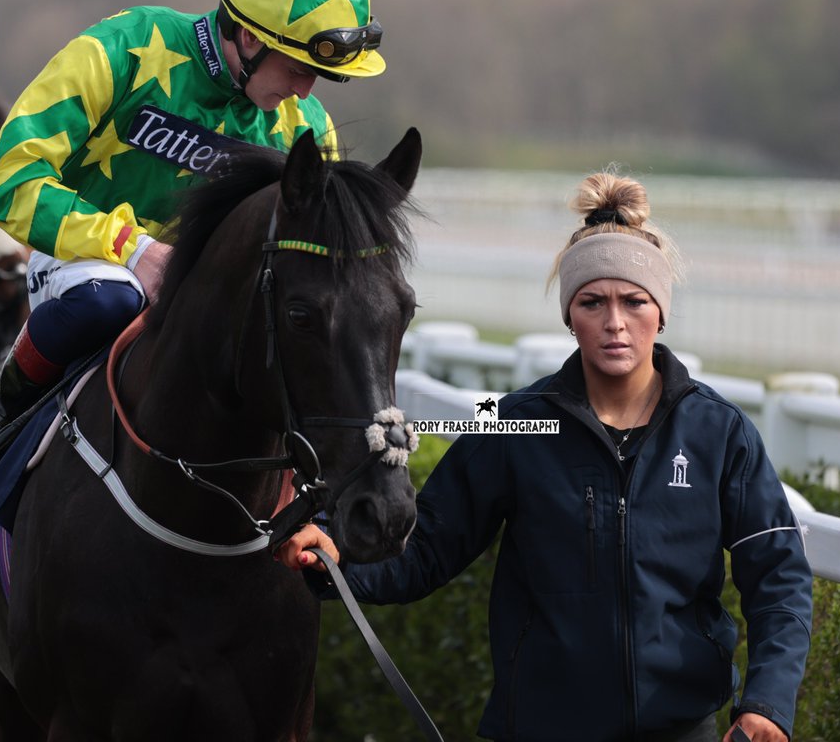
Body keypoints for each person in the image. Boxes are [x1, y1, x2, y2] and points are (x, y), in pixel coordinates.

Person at [281, 172, 813, 741]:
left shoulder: (719, 432)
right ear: (568, 316)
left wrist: (766, 704)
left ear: (661, 312)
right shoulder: (514, 420)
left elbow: (779, 579)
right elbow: (428, 545)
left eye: (634, 301)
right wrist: (336, 557)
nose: (615, 323)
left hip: (683, 728)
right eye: (592, 303)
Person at [0, 0, 386, 484]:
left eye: (321, 76)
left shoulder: (306, 129)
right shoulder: (126, 46)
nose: (305, 89)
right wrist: (136, 249)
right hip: (86, 267)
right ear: (248, 37)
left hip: (208, 306)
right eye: (298, 67)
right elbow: (9, 179)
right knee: (111, 297)